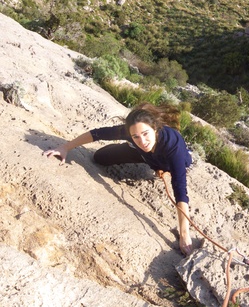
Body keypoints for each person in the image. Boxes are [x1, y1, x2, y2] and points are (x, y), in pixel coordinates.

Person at [44, 102, 193, 256]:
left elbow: (180, 189)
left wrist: (184, 234)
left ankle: (159, 166)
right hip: (141, 154)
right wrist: (65, 147)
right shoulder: (133, 134)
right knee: (100, 157)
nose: (142, 140)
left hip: (167, 160)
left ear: (155, 128)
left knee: (175, 165)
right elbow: (97, 134)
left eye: (145, 134)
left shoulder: (172, 145)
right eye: (136, 136)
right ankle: (138, 151)